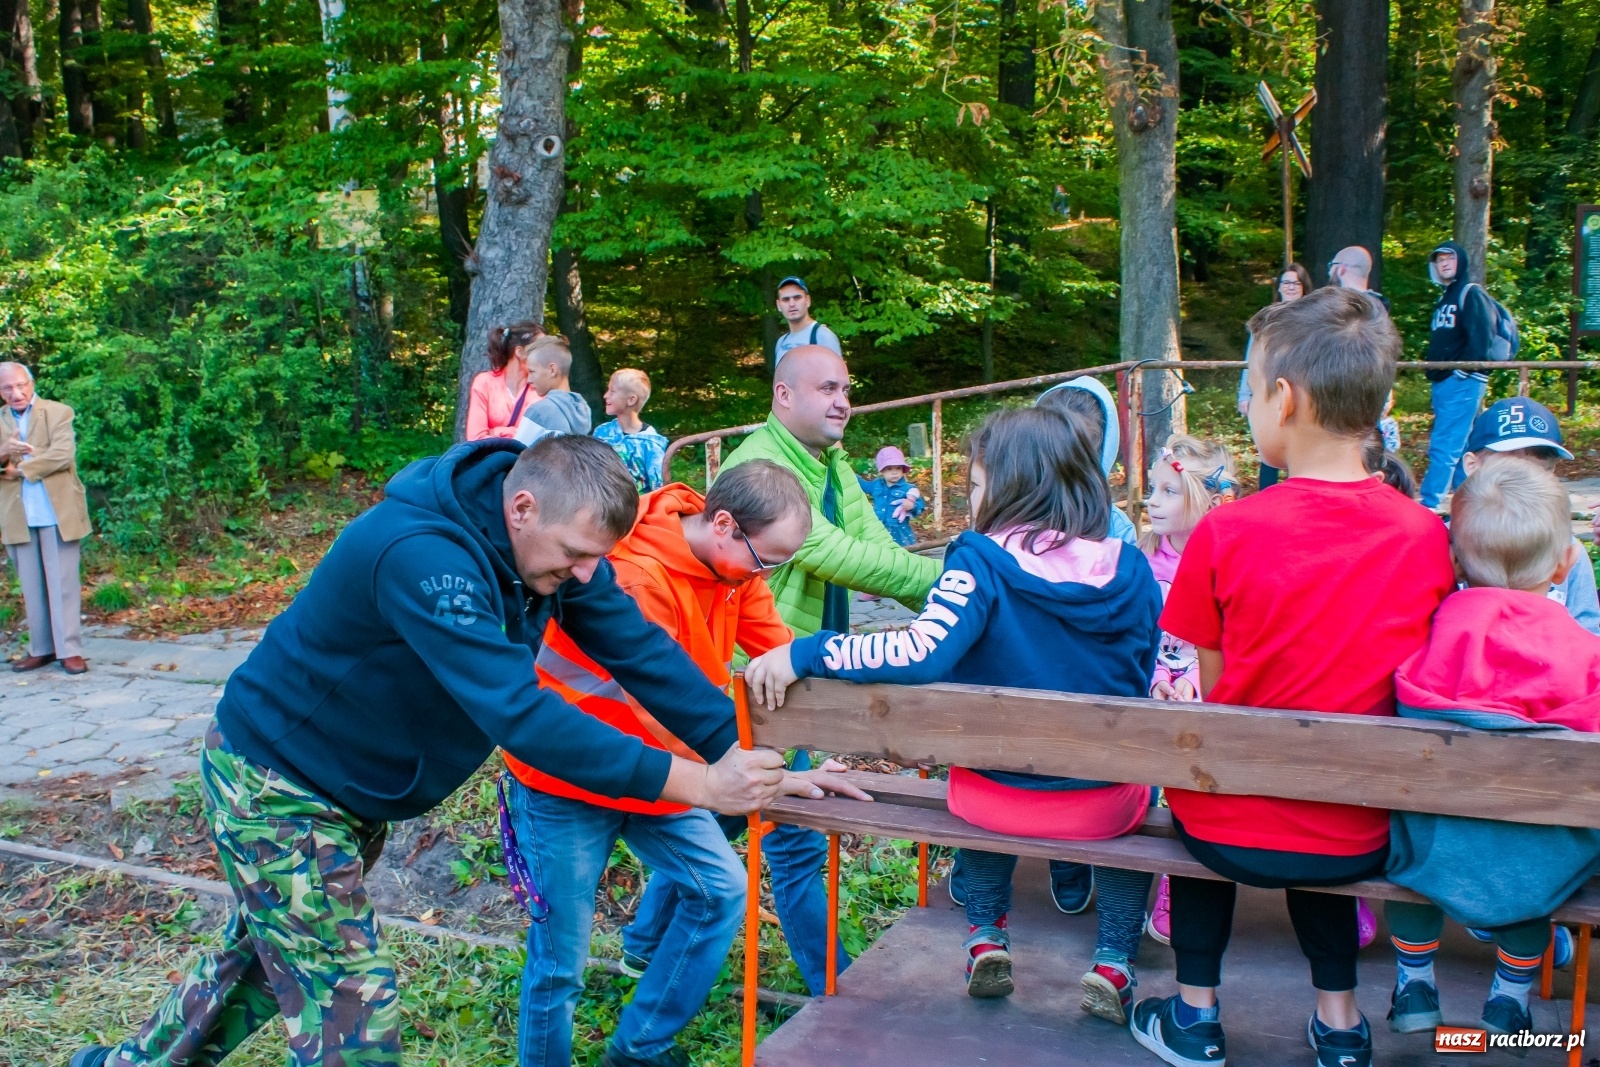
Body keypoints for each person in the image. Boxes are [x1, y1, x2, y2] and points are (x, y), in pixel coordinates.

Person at [69, 435, 842, 1067]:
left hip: (343, 792)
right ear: (523, 505)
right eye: (574, 555)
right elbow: (524, 714)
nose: (581, 576)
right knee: (352, 1011)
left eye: (591, 561)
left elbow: (641, 652)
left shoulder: (550, 546)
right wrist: (703, 784)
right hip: (275, 781)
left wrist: (746, 751)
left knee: (258, 967)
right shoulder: (421, 557)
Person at [744, 405, 1164, 1024]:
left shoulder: (977, 561)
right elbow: (1144, 671)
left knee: (984, 768)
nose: (971, 498)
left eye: (974, 483)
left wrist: (809, 649)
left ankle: (987, 938)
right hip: (1101, 809)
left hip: (993, 800)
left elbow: (916, 651)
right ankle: (1113, 961)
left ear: (1011, 483)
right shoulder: (1131, 568)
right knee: (1136, 790)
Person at [1130, 286, 1457, 1067]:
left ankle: (1195, 1014)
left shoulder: (1225, 532)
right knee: (1322, 791)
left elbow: (1211, 686)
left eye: (1250, 389)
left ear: (1285, 398)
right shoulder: (1423, 535)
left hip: (1227, 829)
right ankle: (1340, 1022)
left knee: (1208, 781)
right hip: (1358, 832)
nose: (1246, 407)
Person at [500, 460, 868, 1067]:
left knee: (721, 890)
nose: (767, 573)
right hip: (568, 779)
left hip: (658, 774)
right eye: (767, 559)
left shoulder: (735, 569)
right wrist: (770, 778)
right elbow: (658, 710)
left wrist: (852, 711)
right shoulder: (641, 579)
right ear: (722, 525)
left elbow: (778, 653)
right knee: (560, 958)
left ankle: (640, 1045)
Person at [631, 344, 941, 997]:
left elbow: (879, 549)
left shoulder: (831, 464)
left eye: (848, 389)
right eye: (826, 387)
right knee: (790, 834)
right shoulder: (765, 470)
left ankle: (639, 943)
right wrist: (957, 588)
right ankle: (836, 989)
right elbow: (842, 558)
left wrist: (943, 607)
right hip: (752, 682)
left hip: (789, 674)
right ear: (783, 395)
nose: (842, 401)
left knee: (717, 812)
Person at [1383, 461, 1599, 1039]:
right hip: (1539, 864)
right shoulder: (1585, 653)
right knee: (1534, 886)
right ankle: (1509, 997)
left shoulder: (1428, 634)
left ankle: (1414, 983)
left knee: (1407, 868)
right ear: (1564, 562)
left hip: (1437, 851)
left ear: (1455, 560)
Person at [1138, 437, 1239, 950]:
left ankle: (1180, 886)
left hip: (1205, 695)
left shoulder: (1229, 562)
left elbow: (1229, 643)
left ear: (1203, 499)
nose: (1150, 501)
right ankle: (1128, 882)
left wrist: (1193, 684)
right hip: (1151, 690)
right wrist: (1155, 678)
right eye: (1152, 490)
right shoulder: (1142, 563)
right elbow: (1137, 636)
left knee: (1194, 788)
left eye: (1168, 491)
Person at [1455, 397, 1600, 636]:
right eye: (1511, 468)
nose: (1527, 482)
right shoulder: (1442, 541)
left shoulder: (1566, 548)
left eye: (1541, 470)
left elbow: (1587, 631)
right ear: (1472, 465)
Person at [0, 362, 90, 675]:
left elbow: (62, 454)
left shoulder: (57, 412)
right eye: (7, 388)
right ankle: (41, 649)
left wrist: (20, 469)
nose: (16, 392)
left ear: (32, 382)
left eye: (21, 385)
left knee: (62, 583)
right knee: (31, 585)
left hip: (57, 511)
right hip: (17, 515)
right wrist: (4, 451)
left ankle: (70, 650)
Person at [1418, 240, 1496, 508]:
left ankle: (1429, 503)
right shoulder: (1445, 298)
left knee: (1445, 444)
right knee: (1462, 447)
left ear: (1460, 261)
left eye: (1449, 258)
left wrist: (1465, 370)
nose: (1444, 263)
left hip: (1461, 381)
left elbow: (1481, 338)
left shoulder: (1471, 293)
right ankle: (1469, 501)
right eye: (1439, 260)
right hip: (1443, 381)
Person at [1236, 264, 1312, 489]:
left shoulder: (1314, 318)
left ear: (1303, 287)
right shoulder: (1268, 317)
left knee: (1300, 445)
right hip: (1270, 391)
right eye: (1285, 282)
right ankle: (1266, 497)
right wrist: (1245, 394)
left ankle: (1298, 492)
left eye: (1295, 282)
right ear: (1278, 287)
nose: (1290, 287)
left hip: (1303, 391)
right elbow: (1252, 357)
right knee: (1269, 444)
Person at [593, 368, 669, 492]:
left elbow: (658, 489)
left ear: (631, 400)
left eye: (612, 391)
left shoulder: (650, 443)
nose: (605, 395)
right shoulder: (601, 433)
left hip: (639, 509)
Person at [467, 321, 544, 441]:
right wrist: (517, 434)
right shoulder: (484, 383)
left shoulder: (541, 389)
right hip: (491, 459)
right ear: (520, 352)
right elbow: (475, 438)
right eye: (540, 349)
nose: (546, 356)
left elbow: (542, 440)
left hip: (527, 460)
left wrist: (497, 432)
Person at [514, 335, 592, 442]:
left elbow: (516, 454)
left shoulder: (539, 412)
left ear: (552, 370)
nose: (529, 380)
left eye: (532, 372)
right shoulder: (583, 411)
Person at [858, 445, 924, 547]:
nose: (894, 472)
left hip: (899, 530)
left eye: (898, 468)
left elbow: (920, 504)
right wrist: (847, 472)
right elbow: (863, 485)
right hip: (878, 528)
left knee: (904, 552)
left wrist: (911, 506)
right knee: (880, 553)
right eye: (889, 468)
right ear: (882, 470)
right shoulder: (877, 485)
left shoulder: (908, 488)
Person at [772, 277, 842, 368]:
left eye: (797, 298)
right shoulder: (781, 342)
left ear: (807, 300)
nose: (792, 304)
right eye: (786, 299)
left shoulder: (822, 336)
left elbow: (839, 379)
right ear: (779, 305)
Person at [1326, 246, 1391, 311]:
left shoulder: (1332, 308)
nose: (1329, 272)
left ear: (1342, 268)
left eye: (1332, 264)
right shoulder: (1380, 308)